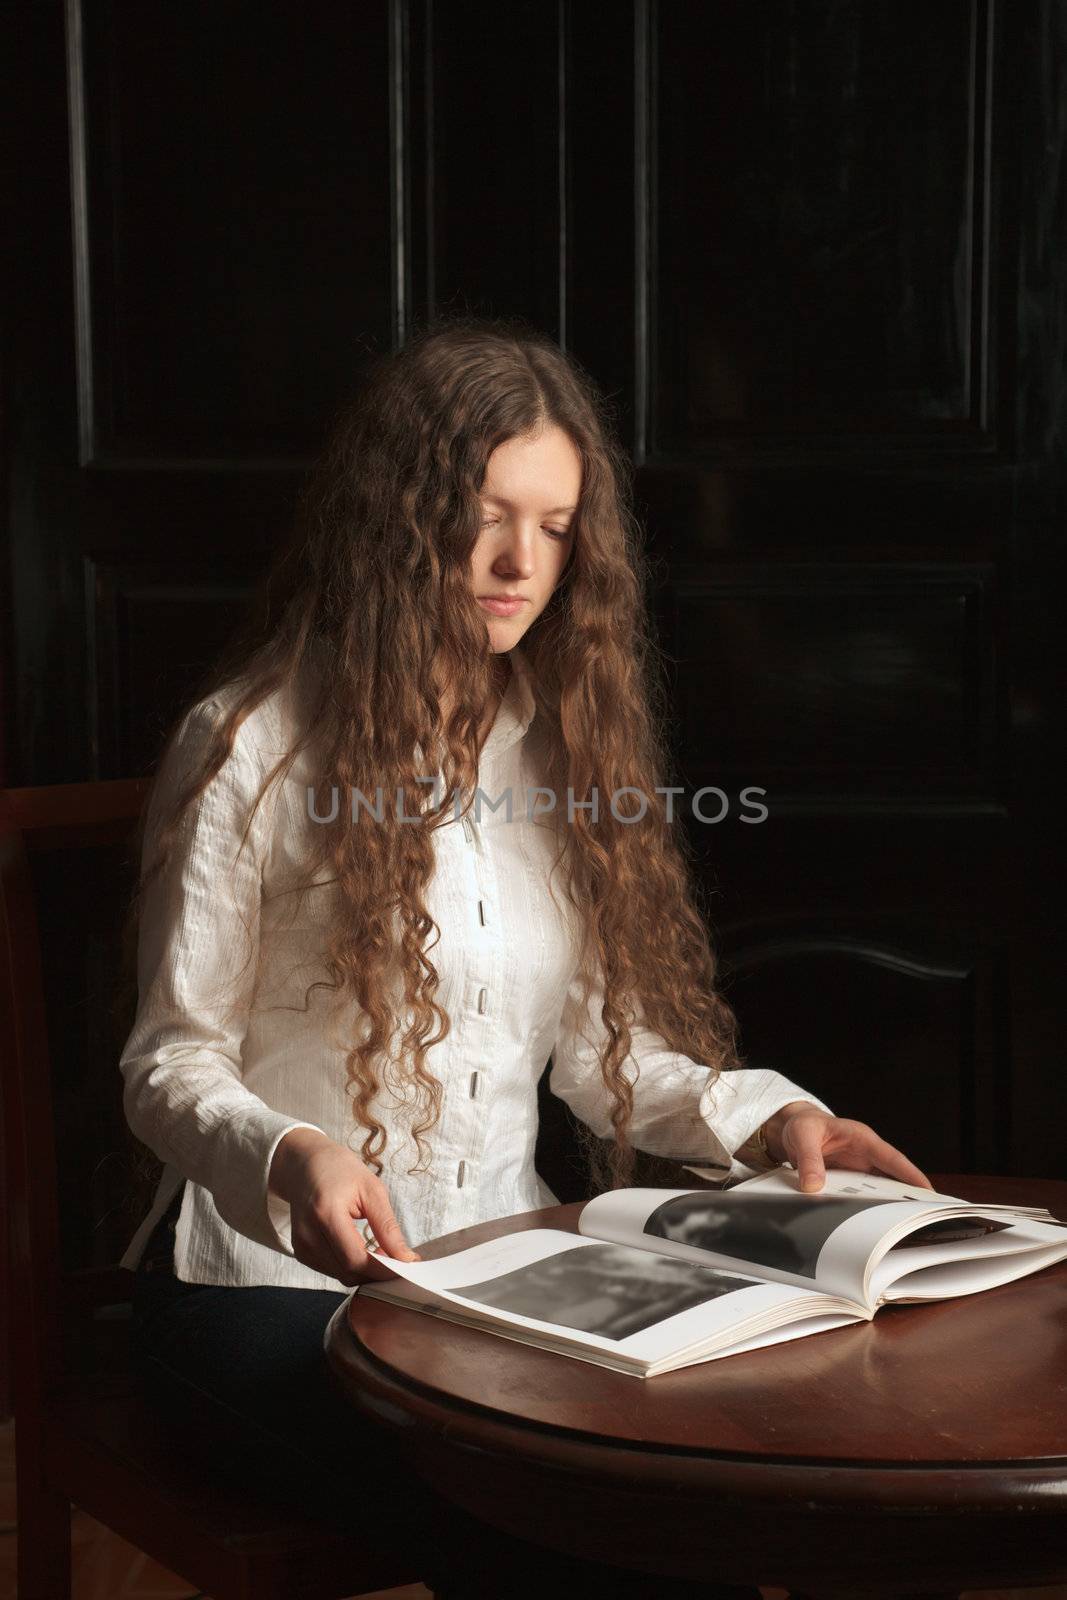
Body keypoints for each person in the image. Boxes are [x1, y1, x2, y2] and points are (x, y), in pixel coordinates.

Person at [118, 314, 934, 1599]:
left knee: (678, 1492)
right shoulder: (253, 745)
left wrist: (773, 1118)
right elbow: (168, 1060)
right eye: (486, 514)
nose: (519, 562)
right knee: (555, 1518)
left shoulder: (556, 754)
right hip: (252, 1293)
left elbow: (610, 1064)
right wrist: (292, 1151)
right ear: (398, 519)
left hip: (494, 1285)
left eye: (555, 526)